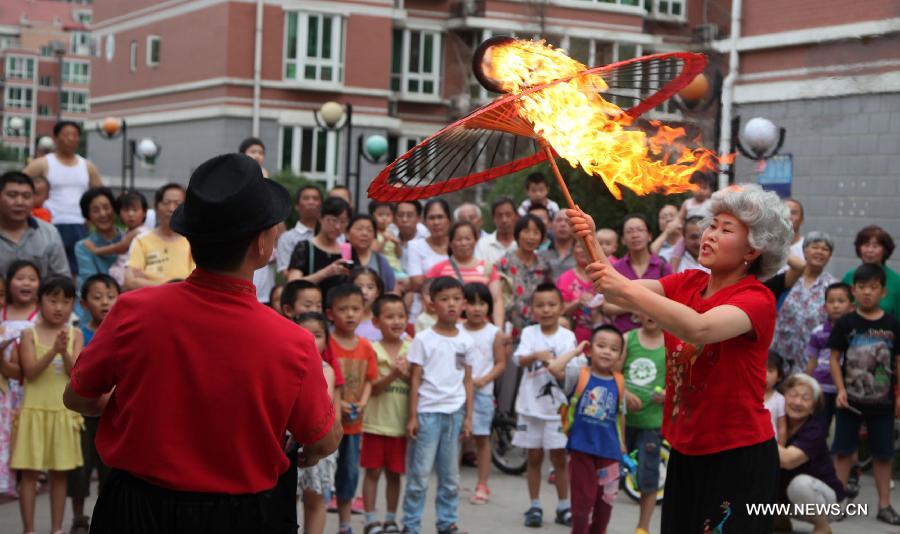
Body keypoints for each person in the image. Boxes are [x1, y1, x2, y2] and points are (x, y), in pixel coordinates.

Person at [63, 153, 341, 533]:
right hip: (243, 516)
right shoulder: (293, 341)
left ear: (190, 239)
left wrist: (135, 405)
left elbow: (78, 397)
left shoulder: (133, 310)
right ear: (261, 244)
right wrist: (319, 404)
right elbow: (323, 441)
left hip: (134, 509)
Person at [568, 183, 793, 532]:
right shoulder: (688, 282)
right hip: (687, 448)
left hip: (739, 454)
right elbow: (616, 293)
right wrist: (591, 239)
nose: (710, 234)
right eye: (712, 225)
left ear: (753, 249)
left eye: (725, 229)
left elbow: (699, 329)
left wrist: (621, 285)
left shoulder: (756, 299)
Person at [828, 263, 900, 525]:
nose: (867, 292)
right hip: (850, 402)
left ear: (883, 292)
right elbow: (835, 358)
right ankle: (837, 503)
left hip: (883, 403)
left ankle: (884, 505)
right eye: (861, 287)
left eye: (873, 287)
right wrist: (841, 389)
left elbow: (897, 361)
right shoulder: (846, 323)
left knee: (883, 455)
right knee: (844, 452)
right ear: (854, 291)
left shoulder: (892, 324)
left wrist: (899, 396)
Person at [12, 276, 84, 534]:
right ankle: (28, 529)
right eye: (53, 300)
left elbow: (76, 373)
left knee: (60, 474)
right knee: (29, 474)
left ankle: (56, 530)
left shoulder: (75, 334)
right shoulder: (27, 333)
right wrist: (53, 350)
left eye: (66, 301)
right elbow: (30, 372)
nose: (59, 307)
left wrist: (63, 351)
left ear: (73, 304)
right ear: (40, 301)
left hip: (63, 412)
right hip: (33, 411)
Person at [402, 277, 474, 534]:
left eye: (456, 299)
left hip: (454, 413)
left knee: (451, 477)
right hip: (428, 412)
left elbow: (467, 379)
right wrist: (413, 416)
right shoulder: (423, 339)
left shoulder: (466, 340)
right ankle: (410, 525)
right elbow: (415, 378)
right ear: (432, 304)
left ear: (463, 303)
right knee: (419, 476)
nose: (451, 304)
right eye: (444, 299)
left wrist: (468, 417)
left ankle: (447, 522)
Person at [548, 325, 624, 534]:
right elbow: (554, 368)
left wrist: (623, 445)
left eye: (613, 348)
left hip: (610, 453)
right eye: (601, 346)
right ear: (590, 350)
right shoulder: (578, 374)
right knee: (583, 503)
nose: (607, 351)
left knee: (605, 507)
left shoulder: (619, 382)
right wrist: (576, 351)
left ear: (619, 355)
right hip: (581, 449)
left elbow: (619, 416)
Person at [512, 283, 576, 528]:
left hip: (556, 410)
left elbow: (573, 367)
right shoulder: (529, 334)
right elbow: (519, 359)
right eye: (540, 305)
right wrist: (536, 356)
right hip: (530, 407)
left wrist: (557, 366)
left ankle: (563, 506)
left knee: (559, 459)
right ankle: (535, 505)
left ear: (561, 307)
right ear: (532, 309)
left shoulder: (567, 336)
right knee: (534, 457)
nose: (546, 310)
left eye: (551, 305)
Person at [67, 274, 119, 534]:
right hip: (83, 412)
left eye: (111, 296)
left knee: (109, 470)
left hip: (112, 411)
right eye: (97, 297)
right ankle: (78, 518)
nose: (105, 302)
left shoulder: (123, 330)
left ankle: (107, 514)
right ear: (84, 304)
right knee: (81, 467)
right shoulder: (80, 333)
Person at [327, 283, 379, 534]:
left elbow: (370, 379)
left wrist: (363, 401)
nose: (350, 314)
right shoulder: (327, 344)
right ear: (330, 313)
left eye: (355, 309)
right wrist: (339, 404)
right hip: (329, 424)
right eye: (343, 309)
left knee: (348, 477)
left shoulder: (366, 347)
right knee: (322, 479)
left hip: (354, 426)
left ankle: (345, 525)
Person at [23, 121, 103, 274]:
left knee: (77, 270)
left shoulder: (87, 166)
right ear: (56, 138)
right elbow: (18, 183)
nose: (70, 139)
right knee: (47, 268)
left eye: (74, 135)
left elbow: (100, 194)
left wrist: (92, 219)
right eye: (66, 135)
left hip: (79, 225)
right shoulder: (43, 163)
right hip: (50, 224)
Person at [361, 294, 411, 534]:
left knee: (395, 473)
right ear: (376, 322)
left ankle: (391, 518)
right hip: (375, 423)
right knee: (372, 471)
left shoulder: (412, 348)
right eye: (389, 316)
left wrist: (408, 374)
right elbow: (371, 388)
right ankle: (371, 519)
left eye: (401, 316)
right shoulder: (371, 350)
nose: (396, 321)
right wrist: (394, 374)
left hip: (400, 423)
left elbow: (419, 385)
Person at [776, 374, 846, 534]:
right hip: (794, 503)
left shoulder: (814, 430)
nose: (797, 402)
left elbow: (787, 460)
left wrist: (762, 435)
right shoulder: (778, 422)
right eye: (793, 395)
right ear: (783, 397)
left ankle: (822, 527)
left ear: (813, 407)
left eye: (805, 398)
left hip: (829, 502)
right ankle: (779, 519)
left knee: (800, 484)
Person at [295, 312, 342, 534]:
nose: (312, 340)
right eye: (305, 334)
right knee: (288, 498)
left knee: (315, 499)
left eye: (318, 335)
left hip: (318, 438)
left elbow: (325, 403)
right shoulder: (289, 364)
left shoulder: (327, 369)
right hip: (292, 441)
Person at [619, 314, 666, 534]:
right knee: (610, 473)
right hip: (623, 420)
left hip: (652, 423)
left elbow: (680, 379)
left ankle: (643, 527)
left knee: (649, 474)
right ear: (636, 313)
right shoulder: (628, 339)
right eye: (645, 309)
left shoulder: (671, 342)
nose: (650, 315)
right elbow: (614, 372)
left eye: (655, 309)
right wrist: (625, 393)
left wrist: (668, 394)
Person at [462, 283, 506, 505]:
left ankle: (482, 483)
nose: (477, 309)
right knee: (455, 437)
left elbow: (500, 363)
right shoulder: (458, 330)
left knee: (481, 437)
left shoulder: (493, 333)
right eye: (471, 303)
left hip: (482, 393)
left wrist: (484, 380)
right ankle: (453, 480)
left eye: (482, 303)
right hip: (457, 392)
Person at [771, 231, 837, 375]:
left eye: (825, 249)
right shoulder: (786, 277)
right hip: (779, 354)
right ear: (804, 250)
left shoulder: (832, 286)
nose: (819, 251)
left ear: (830, 256)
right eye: (815, 247)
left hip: (812, 360)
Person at [0, 261, 39, 497]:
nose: (26, 283)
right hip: (3, 388)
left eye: (32, 278)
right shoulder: (2, 312)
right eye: (20, 278)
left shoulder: (40, 316)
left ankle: (26, 478)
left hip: (27, 386)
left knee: (22, 435)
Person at [426, 221, 505, 326]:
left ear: (475, 241)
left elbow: (497, 300)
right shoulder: (438, 269)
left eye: (468, 239)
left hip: (481, 328)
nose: (463, 243)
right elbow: (427, 297)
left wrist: (498, 328)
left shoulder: (488, 268)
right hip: (449, 328)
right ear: (450, 242)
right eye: (459, 239)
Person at [603, 214, 671, 334]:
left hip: (657, 336)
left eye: (640, 230)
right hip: (624, 336)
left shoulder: (663, 267)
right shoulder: (615, 269)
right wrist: (637, 306)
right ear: (623, 239)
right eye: (629, 231)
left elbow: (673, 302)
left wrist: (635, 304)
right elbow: (607, 307)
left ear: (649, 236)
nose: (635, 235)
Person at [124, 183, 195, 289]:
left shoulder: (193, 241)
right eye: (166, 203)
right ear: (156, 207)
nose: (171, 208)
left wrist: (147, 282)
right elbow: (129, 282)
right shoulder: (141, 240)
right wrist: (174, 286)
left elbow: (195, 283)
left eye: (177, 203)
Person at [0, 171, 70, 279]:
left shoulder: (50, 233)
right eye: (12, 195)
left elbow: (62, 279)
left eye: (26, 196)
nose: (19, 202)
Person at [805, 282, 854, 429]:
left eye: (841, 301)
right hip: (822, 388)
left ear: (852, 306)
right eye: (831, 302)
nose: (836, 306)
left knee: (843, 428)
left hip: (847, 389)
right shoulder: (818, 332)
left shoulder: (855, 332)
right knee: (819, 426)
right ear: (824, 307)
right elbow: (812, 360)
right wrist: (808, 383)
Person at [286, 196, 352, 299]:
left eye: (343, 222)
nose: (338, 226)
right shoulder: (305, 248)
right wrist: (325, 273)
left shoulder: (346, 249)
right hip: (311, 308)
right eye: (333, 220)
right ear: (320, 217)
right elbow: (293, 283)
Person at [498, 214, 552, 337]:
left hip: (538, 327)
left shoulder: (544, 266)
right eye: (526, 231)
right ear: (517, 234)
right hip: (509, 326)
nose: (531, 237)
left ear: (542, 238)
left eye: (536, 232)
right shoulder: (504, 263)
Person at [406, 200, 451, 324]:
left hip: (453, 313)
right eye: (431, 218)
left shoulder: (457, 246)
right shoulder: (415, 246)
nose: (436, 222)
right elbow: (416, 283)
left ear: (449, 220)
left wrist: (429, 280)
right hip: (422, 315)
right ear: (424, 221)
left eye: (440, 217)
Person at [841, 225, 900, 319]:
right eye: (866, 245)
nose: (870, 250)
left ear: (885, 250)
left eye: (875, 246)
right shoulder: (849, 277)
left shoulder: (897, 281)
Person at [74, 187, 123, 293]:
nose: (103, 214)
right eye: (95, 210)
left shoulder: (128, 239)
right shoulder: (83, 246)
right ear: (88, 216)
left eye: (106, 207)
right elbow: (89, 282)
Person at [98, 190, 150, 288]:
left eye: (135, 210)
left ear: (144, 212)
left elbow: (120, 247)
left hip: (131, 273)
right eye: (126, 210)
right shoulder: (127, 231)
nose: (130, 214)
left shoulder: (139, 231)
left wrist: (96, 250)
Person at [557, 240, 598, 343]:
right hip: (572, 338)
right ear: (573, 251)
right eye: (580, 246)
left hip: (601, 339)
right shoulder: (565, 278)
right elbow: (559, 310)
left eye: (587, 246)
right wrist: (578, 302)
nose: (584, 250)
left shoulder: (603, 276)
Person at [277, 185, 322, 276]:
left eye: (315, 198)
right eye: (306, 198)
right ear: (297, 206)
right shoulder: (287, 238)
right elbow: (286, 271)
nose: (311, 202)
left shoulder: (335, 236)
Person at [347, 215, 396, 292]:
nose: (364, 233)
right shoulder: (340, 257)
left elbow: (389, 289)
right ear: (347, 233)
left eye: (369, 230)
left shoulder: (381, 261)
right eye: (359, 229)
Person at [475, 196, 518, 265]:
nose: (504, 220)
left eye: (508, 215)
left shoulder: (523, 243)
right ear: (493, 218)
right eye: (499, 215)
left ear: (516, 216)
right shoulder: (482, 245)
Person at [352, 267, 385, 342]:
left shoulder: (383, 320)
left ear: (378, 292)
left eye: (370, 287)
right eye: (359, 287)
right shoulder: (343, 321)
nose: (364, 292)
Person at [541, 210, 575, 279]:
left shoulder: (582, 255)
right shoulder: (541, 255)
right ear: (551, 225)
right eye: (559, 220)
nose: (563, 224)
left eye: (567, 221)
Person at [764, 353, 787, 444]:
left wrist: (780, 450)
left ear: (779, 377)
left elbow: (782, 428)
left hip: (771, 445)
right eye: (761, 369)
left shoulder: (780, 399)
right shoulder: (746, 396)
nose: (765, 374)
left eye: (770, 371)